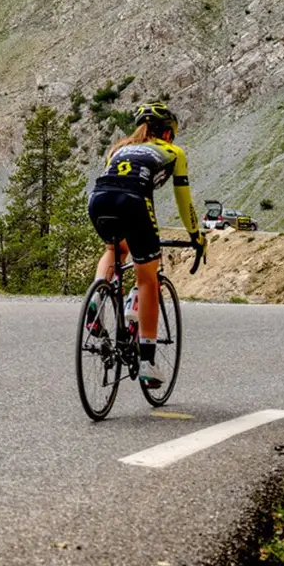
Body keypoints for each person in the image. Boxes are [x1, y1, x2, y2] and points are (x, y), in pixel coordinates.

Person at [85, 101, 205, 388]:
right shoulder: (174, 152)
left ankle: (97, 300)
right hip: (134, 201)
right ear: (166, 134)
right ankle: (148, 362)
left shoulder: (118, 148)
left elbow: (115, 180)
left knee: (115, 250)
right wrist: (196, 236)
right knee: (148, 277)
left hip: (98, 200)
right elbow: (183, 199)